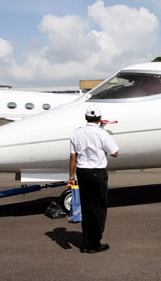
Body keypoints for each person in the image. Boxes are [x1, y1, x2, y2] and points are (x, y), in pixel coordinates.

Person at [68, 104, 119, 254]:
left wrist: (71, 176)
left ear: (86, 117)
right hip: (97, 173)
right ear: (100, 118)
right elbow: (115, 153)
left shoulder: (76, 133)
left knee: (86, 208)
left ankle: (85, 242)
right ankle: (94, 244)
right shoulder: (102, 134)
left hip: (82, 172)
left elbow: (72, 156)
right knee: (99, 209)